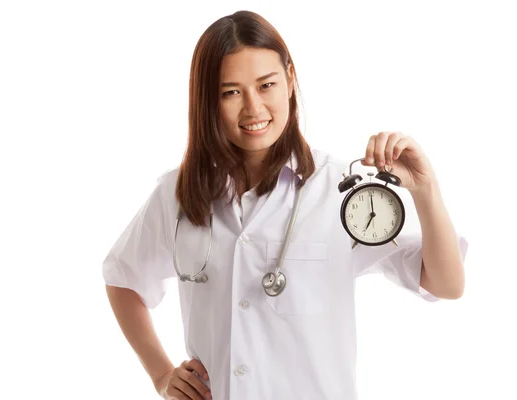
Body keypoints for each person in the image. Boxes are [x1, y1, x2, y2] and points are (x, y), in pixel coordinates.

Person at [101, 10, 468, 400]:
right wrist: (161, 374)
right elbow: (122, 277)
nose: (253, 108)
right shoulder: (179, 191)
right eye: (231, 92)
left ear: (290, 80)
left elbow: (446, 284)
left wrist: (426, 192)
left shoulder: (342, 190)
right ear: (207, 99)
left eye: (266, 85)